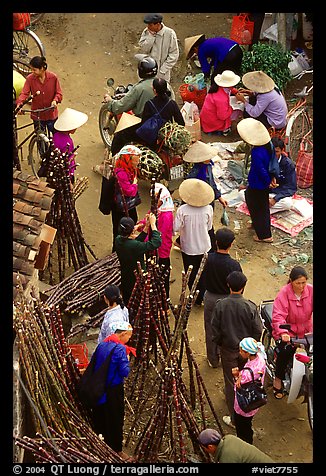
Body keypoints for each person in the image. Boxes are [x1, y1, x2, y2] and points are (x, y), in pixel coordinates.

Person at [211, 271, 263, 428]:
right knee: (245, 378)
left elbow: (215, 329)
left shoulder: (220, 305)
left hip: (228, 351)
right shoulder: (250, 306)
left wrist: (221, 344)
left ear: (228, 285)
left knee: (230, 381)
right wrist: (250, 347)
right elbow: (258, 330)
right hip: (245, 353)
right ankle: (246, 408)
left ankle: (234, 417)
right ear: (243, 287)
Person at [91, 320, 136, 462]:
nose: (129, 339)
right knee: (115, 419)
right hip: (113, 390)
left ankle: (100, 441)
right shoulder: (120, 349)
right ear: (122, 334)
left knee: (101, 416)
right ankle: (116, 450)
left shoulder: (103, 344)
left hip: (99, 387)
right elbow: (124, 372)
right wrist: (127, 360)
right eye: (129, 336)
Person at [202, 228, 242, 368]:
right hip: (227, 299)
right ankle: (225, 357)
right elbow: (239, 284)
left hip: (210, 298)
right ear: (231, 244)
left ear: (216, 242)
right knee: (227, 328)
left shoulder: (207, 259)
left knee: (210, 328)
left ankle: (213, 359)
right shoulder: (234, 265)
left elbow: (201, 277)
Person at [271, 266, 313, 399]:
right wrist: (283, 332)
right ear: (291, 281)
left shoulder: (311, 291)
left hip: (307, 332)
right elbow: (278, 316)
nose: (301, 286)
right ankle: (278, 379)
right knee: (285, 352)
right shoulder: (284, 293)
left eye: (304, 283)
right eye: (298, 283)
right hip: (289, 332)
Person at [173, 178, 214, 306]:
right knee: (202, 272)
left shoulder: (182, 210)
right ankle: (202, 296)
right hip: (204, 246)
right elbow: (209, 227)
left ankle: (194, 297)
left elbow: (175, 228)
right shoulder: (208, 209)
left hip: (188, 247)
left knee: (190, 274)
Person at [182, 140, 228, 253]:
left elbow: (212, 183)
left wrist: (219, 197)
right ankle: (212, 248)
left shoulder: (208, 166)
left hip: (208, 199)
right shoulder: (194, 172)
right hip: (198, 201)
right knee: (206, 226)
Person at [237, 118, 276, 243]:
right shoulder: (269, 146)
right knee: (261, 205)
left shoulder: (257, 152)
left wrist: (267, 181)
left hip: (258, 183)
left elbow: (260, 169)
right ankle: (257, 225)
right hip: (261, 182)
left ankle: (264, 235)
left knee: (258, 206)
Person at [115, 214, 162, 307]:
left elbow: (137, 242)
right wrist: (153, 225)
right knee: (138, 302)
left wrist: (146, 226)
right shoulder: (134, 246)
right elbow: (156, 242)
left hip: (125, 276)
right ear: (132, 231)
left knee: (127, 300)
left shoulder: (118, 240)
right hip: (137, 279)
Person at [136, 183, 174, 298]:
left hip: (161, 250)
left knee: (162, 278)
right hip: (151, 247)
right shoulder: (155, 209)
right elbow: (146, 219)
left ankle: (164, 300)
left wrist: (142, 238)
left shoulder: (167, 215)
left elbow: (158, 235)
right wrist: (140, 225)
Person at [16, 55, 63, 135]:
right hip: (37, 115)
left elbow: (59, 93)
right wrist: (19, 104)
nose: (32, 72)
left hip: (51, 114)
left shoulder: (53, 77)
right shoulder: (30, 79)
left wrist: (55, 100)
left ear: (42, 68)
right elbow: (24, 93)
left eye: (34, 70)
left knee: (56, 136)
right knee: (40, 138)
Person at [232, 337, 267, 444]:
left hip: (244, 406)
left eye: (241, 350)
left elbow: (237, 387)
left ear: (248, 353)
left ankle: (245, 444)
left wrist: (236, 375)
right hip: (255, 398)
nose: (240, 352)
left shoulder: (247, 373)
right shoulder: (260, 359)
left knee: (243, 428)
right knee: (248, 424)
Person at [138, 77, 185, 150]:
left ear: (154, 90)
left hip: (152, 137)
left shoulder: (149, 104)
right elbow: (181, 123)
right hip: (166, 137)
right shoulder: (172, 104)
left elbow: (144, 122)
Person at [111, 145, 142, 253]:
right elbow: (130, 191)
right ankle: (117, 252)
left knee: (132, 220)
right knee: (119, 229)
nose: (137, 163)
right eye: (135, 161)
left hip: (127, 204)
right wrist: (134, 184)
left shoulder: (130, 170)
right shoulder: (121, 173)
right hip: (120, 207)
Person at [138, 13, 179, 84]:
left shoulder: (170, 33)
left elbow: (174, 54)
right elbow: (143, 50)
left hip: (162, 74)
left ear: (158, 24)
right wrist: (151, 37)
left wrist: (162, 70)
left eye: (150, 25)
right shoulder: (146, 32)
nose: (148, 27)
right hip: (146, 72)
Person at [52, 107, 88, 184]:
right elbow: (67, 162)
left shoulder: (56, 136)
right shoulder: (68, 142)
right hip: (65, 174)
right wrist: (69, 179)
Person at [199, 70, 240, 136]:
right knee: (237, 111)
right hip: (212, 121)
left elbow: (230, 90)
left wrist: (235, 92)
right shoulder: (221, 99)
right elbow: (222, 116)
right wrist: (231, 108)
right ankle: (225, 130)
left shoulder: (217, 87)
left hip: (206, 118)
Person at [197, 428, 274, 463]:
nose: (205, 450)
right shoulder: (229, 438)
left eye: (204, 448)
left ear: (210, 446)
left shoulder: (226, 459)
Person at [268, 137, 297, 214]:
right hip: (265, 192)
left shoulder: (288, 165)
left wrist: (275, 199)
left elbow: (291, 188)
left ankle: (262, 209)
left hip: (280, 193)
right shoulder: (265, 160)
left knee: (287, 204)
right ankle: (263, 207)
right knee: (243, 194)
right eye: (271, 152)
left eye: (276, 152)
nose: (273, 155)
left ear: (282, 151)